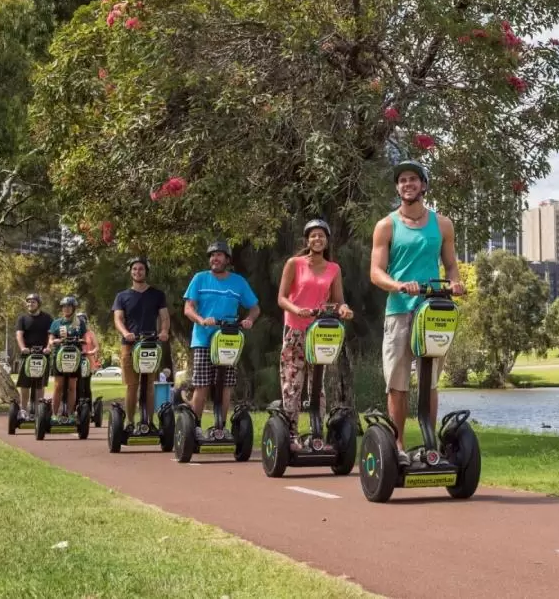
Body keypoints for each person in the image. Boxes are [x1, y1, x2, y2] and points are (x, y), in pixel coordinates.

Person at [369, 160, 465, 466]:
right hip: (399, 311)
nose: (407, 184)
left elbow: (450, 264)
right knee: (398, 382)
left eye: (413, 179)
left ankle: (429, 442)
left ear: (423, 185)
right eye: (402, 180)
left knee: (430, 380)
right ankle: (396, 444)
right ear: (397, 188)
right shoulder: (386, 225)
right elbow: (375, 271)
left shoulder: (443, 224)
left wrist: (456, 282)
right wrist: (398, 285)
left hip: (433, 310)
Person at [277, 219, 354, 452]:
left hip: (320, 331)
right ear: (307, 240)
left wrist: (344, 310)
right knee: (293, 382)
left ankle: (316, 432)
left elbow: (338, 300)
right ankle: (290, 434)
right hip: (296, 330)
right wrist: (296, 309)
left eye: (321, 235)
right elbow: (281, 298)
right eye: (313, 236)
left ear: (327, 240)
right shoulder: (295, 263)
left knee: (317, 384)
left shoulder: (333, 269)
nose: (317, 239)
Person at [182, 241, 260, 439]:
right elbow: (188, 308)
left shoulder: (238, 282)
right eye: (212, 255)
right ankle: (195, 428)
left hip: (228, 339)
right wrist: (201, 320)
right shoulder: (200, 279)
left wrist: (249, 319)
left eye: (219, 255)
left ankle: (220, 428)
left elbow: (254, 307)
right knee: (202, 384)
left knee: (225, 384)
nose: (214, 259)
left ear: (227, 259)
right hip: (203, 339)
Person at [112, 257, 170, 429]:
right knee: (132, 385)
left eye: (141, 269)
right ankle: (130, 422)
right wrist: (125, 333)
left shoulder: (157, 294)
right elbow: (118, 319)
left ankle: (149, 422)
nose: (138, 272)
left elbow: (165, 317)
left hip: (150, 344)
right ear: (131, 272)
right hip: (129, 344)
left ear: (146, 272)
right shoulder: (122, 296)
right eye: (135, 269)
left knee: (149, 385)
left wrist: (164, 331)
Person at [47, 296, 86, 418]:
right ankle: (54, 414)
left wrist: (80, 340)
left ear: (73, 308)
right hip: (60, 356)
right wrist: (54, 341)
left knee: (72, 386)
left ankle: (69, 414)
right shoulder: (56, 323)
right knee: (58, 386)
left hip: (74, 357)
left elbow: (85, 338)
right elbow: (51, 338)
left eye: (69, 306)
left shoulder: (80, 323)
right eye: (64, 306)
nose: (67, 309)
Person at [14, 293, 52, 415]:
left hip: (43, 354)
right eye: (28, 302)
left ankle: (38, 409)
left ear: (38, 304)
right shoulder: (23, 318)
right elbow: (19, 335)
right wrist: (23, 348)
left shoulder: (47, 318)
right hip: (27, 354)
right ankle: (23, 409)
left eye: (33, 302)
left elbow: (51, 335)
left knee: (40, 385)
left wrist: (48, 347)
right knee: (25, 384)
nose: (30, 304)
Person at [75, 313, 100, 406]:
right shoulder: (74, 333)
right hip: (75, 362)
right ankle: (75, 406)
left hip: (88, 361)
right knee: (76, 386)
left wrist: (90, 352)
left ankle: (88, 408)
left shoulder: (90, 333)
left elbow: (97, 347)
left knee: (85, 385)